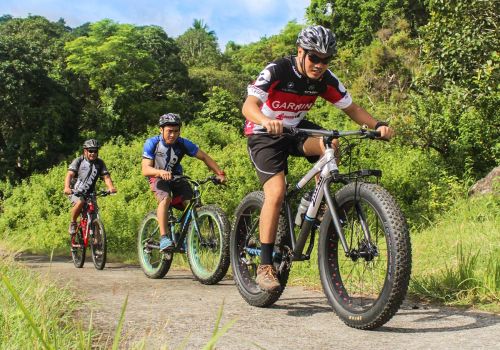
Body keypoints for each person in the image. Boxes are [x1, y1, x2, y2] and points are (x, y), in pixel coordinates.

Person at [242, 25, 395, 292]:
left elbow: (352, 108)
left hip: (296, 130)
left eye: (326, 60)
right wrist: (267, 120)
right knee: (276, 193)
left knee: (330, 143)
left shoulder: (325, 79)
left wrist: (378, 125)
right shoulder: (277, 70)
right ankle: (265, 265)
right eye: (314, 57)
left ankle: (315, 200)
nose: (319, 65)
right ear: (300, 52)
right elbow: (249, 106)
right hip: (264, 133)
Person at [141, 113, 226, 251]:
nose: (173, 135)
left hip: (176, 177)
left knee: (191, 203)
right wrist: (160, 172)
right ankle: (164, 238)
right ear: (161, 130)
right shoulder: (152, 143)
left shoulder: (182, 143)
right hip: (156, 176)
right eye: (169, 131)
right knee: (165, 199)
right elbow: (145, 169)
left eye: (176, 131)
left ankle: (185, 236)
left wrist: (219, 173)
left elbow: (204, 157)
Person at [64, 139, 117, 235]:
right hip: (75, 191)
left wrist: (111, 188)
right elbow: (70, 174)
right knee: (81, 201)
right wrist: (67, 187)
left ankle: (98, 243)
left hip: (90, 193)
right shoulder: (79, 160)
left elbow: (106, 177)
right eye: (90, 151)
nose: (93, 153)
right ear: (85, 151)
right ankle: (73, 222)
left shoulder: (100, 163)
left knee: (95, 215)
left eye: (95, 151)